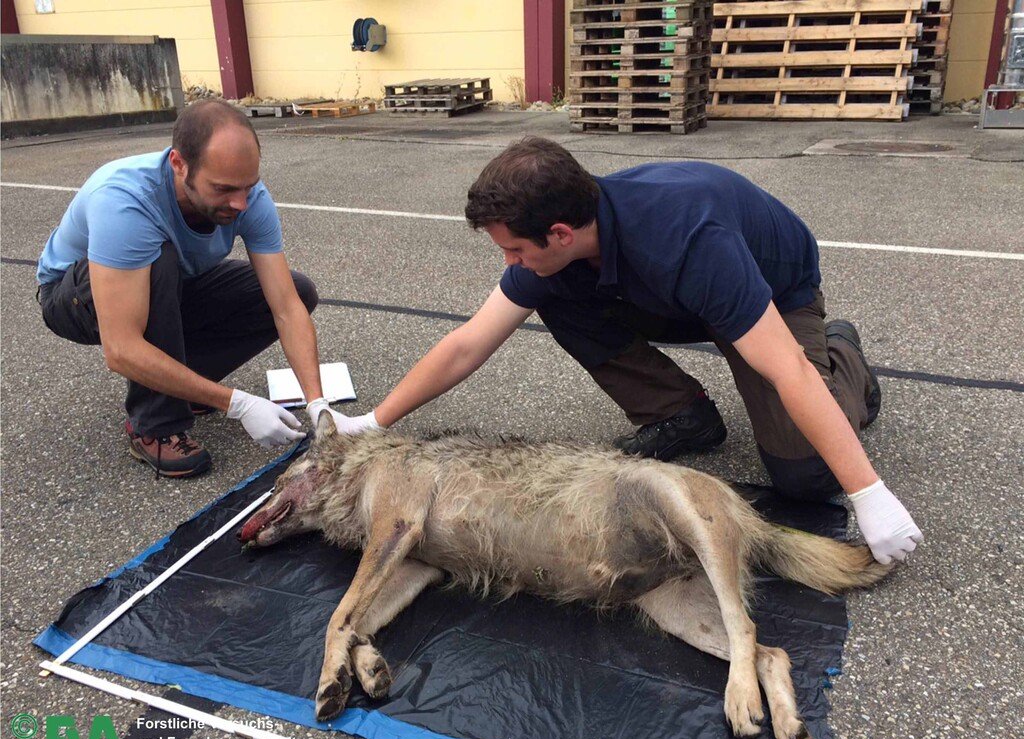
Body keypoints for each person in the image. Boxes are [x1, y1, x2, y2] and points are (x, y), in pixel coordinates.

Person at [333, 136, 922, 565]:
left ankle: (844, 355)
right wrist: (374, 421)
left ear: (560, 233)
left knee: (806, 474)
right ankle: (681, 413)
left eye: (514, 250)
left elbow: (787, 367)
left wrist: (869, 495)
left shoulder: (688, 240)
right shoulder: (565, 238)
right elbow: (467, 344)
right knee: (554, 296)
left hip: (772, 294)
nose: (509, 262)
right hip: (675, 293)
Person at [36, 99, 349, 478]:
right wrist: (236, 403)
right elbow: (120, 349)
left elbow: (285, 305)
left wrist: (318, 405)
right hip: (74, 298)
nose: (240, 202)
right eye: (223, 188)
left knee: (299, 290)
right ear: (179, 164)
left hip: (169, 285)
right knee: (159, 258)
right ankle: (154, 425)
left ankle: (185, 386)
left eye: (248, 186)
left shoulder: (249, 198)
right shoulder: (126, 201)